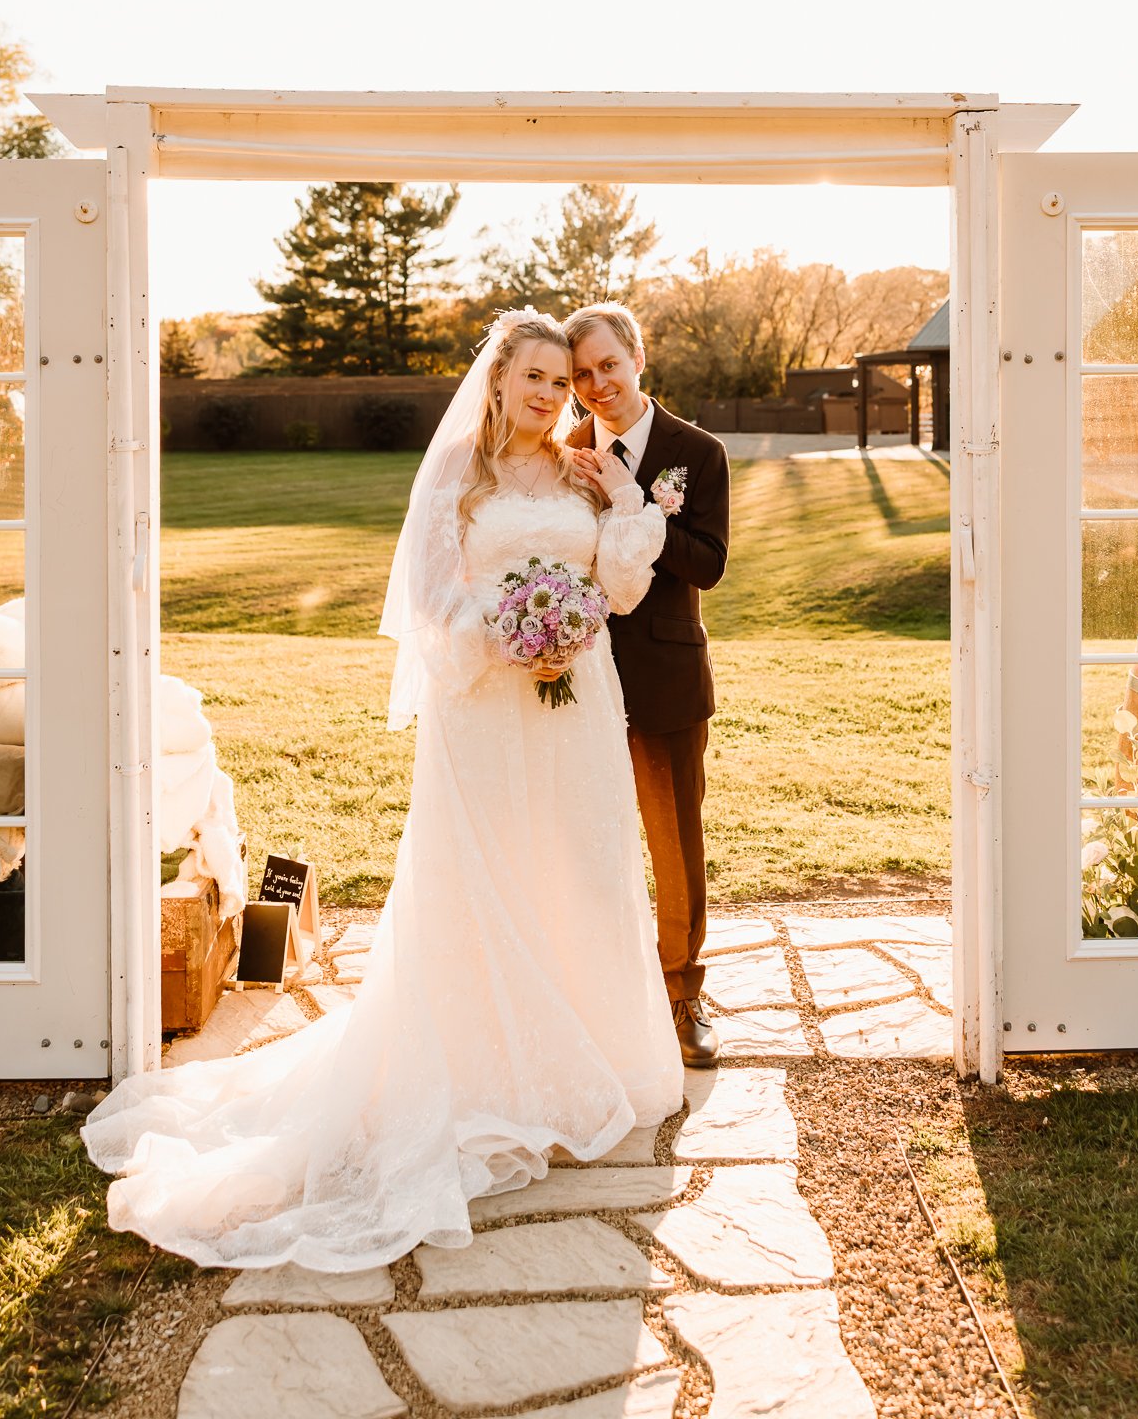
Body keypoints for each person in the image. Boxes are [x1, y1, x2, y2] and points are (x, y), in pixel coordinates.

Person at [81, 310, 682, 1270]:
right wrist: (517, 634)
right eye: (530, 378)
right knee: (479, 874)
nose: (546, 396)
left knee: (579, 863)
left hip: (575, 705)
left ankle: (587, 1056)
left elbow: (620, 589)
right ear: (496, 382)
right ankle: (485, 1067)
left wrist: (620, 511)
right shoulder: (459, 477)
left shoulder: (581, 469)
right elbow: (434, 607)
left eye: (559, 384)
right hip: (484, 702)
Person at [565, 303, 730, 1069]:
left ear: (637, 356)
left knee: (673, 844)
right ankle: (599, 990)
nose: (597, 384)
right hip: (577, 676)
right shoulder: (562, 454)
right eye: (581, 375)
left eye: (608, 364)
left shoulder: (694, 452)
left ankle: (681, 992)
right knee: (584, 839)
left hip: (662, 675)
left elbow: (707, 562)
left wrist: (638, 510)